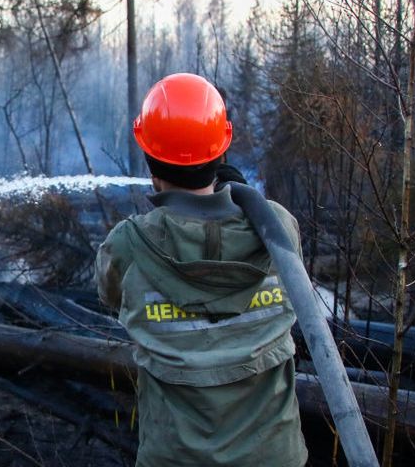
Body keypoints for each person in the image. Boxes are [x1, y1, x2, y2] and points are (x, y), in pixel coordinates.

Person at [96, 73, 308, 467]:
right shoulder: (276, 226)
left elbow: (108, 294)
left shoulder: (128, 244)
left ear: (149, 158)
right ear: (221, 150)